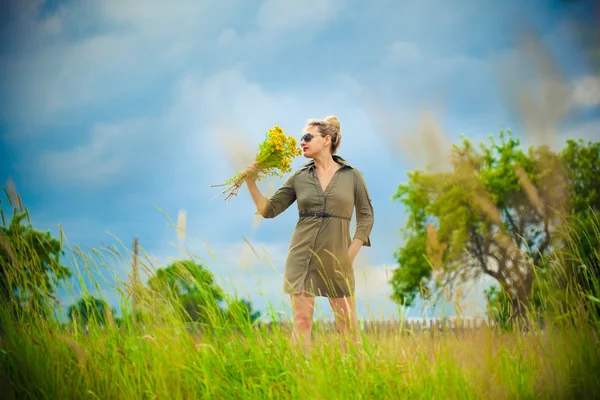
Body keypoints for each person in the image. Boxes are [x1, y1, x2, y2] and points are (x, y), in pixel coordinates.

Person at [243, 115, 374, 353]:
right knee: (302, 323)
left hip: (338, 257)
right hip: (302, 256)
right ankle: (299, 379)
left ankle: (355, 378)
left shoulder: (352, 175)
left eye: (306, 137)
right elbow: (268, 210)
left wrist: (349, 255)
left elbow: (366, 217)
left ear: (326, 140)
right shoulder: (299, 177)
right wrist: (251, 182)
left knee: (347, 325)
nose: (301, 142)